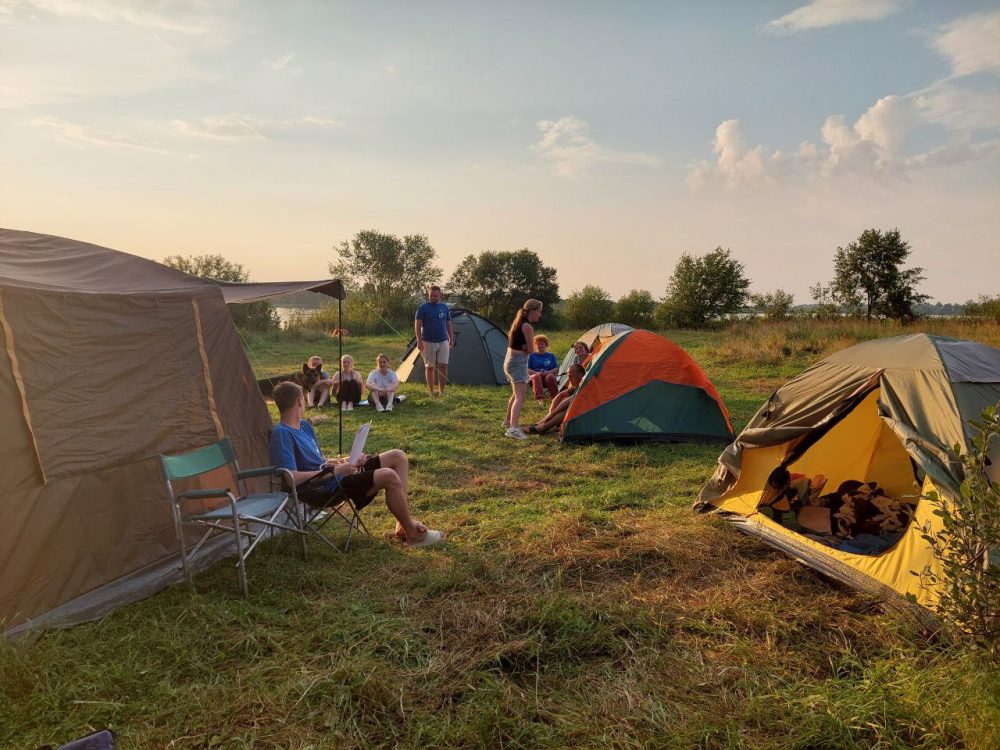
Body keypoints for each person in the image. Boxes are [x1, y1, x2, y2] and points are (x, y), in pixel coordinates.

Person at [269, 381, 445, 547]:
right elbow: (291, 478)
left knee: (397, 456)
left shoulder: (304, 426)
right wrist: (336, 471)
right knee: (388, 475)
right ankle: (413, 534)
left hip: (334, 476)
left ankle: (403, 527)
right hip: (320, 489)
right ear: (300, 401)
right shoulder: (282, 433)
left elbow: (319, 461)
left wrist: (348, 460)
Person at [503, 298, 543, 439]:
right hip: (518, 362)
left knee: (516, 394)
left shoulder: (518, 323)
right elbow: (531, 350)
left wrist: (524, 346)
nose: (540, 314)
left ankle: (507, 421)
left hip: (510, 360)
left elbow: (521, 346)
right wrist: (526, 347)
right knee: (521, 396)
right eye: (539, 311)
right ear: (532, 311)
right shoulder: (527, 326)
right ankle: (513, 429)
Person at [414, 285, 454, 397]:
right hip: (428, 341)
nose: (433, 297)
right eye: (431, 295)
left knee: (443, 366)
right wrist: (419, 340)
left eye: (435, 296)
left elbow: (448, 323)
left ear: (440, 295)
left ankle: (442, 391)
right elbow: (417, 325)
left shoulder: (444, 307)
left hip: (443, 340)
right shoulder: (423, 308)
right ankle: (431, 392)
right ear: (428, 295)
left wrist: (451, 339)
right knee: (430, 367)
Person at [527, 364, 584, 434]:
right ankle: (539, 423)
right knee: (563, 399)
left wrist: (553, 413)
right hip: (575, 414)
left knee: (567, 409)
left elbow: (572, 398)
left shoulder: (586, 385)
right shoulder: (575, 385)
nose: (569, 379)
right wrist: (550, 412)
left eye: (571, 376)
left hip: (585, 414)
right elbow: (560, 395)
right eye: (568, 376)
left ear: (580, 375)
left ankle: (542, 427)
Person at [527, 335, 559, 400]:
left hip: (547, 376)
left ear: (546, 345)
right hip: (535, 377)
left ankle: (554, 397)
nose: (540, 345)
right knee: (536, 376)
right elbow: (528, 369)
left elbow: (556, 368)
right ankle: (540, 398)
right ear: (535, 345)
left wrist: (547, 372)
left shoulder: (551, 355)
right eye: (538, 344)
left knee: (550, 376)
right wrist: (536, 373)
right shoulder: (531, 355)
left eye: (542, 344)